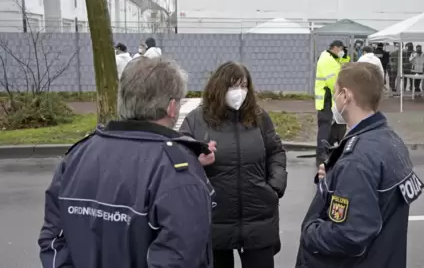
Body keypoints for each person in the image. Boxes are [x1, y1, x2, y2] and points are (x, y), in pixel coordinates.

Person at [38, 57, 214, 268]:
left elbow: (54, 241)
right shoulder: (177, 169)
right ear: (172, 107)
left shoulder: (78, 155)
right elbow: (179, 257)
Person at [295, 62, 424, 268]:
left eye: (336, 92)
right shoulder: (390, 139)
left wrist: (310, 230)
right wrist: (334, 178)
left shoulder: (357, 160)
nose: (335, 99)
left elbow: (350, 234)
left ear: (345, 96)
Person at [179, 61, 288, 268]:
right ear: (219, 87)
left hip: (259, 219)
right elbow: (178, 159)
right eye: (233, 85)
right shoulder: (197, 120)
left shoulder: (259, 117)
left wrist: (275, 186)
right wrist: (197, 161)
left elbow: (276, 152)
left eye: (244, 85)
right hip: (214, 220)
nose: (239, 91)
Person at [314, 40, 347, 167]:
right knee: (325, 126)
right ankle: (321, 153)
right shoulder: (327, 60)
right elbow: (333, 81)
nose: (342, 52)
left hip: (329, 98)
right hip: (326, 98)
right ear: (335, 48)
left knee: (335, 124)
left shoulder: (332, 58)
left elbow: (342, 64)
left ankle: (329, 149)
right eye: (341, 49)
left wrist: (344, 56)